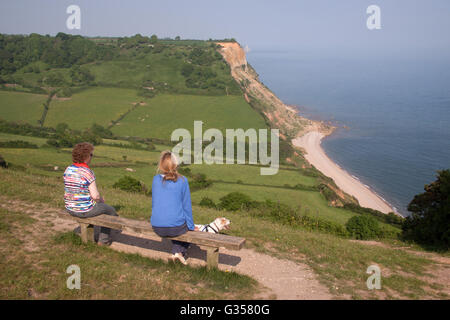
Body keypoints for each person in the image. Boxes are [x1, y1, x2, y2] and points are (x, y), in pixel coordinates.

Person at [63, 142, 118, 246]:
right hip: (84, 210)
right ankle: (103, 241)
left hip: (70, 208)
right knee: (110, 211)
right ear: (86, 156)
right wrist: (101, 201)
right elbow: (95, 196)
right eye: (91, 154)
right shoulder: (87, 172)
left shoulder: (68, 169)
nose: (92, 157)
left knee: (101, 208)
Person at [151, 151, 195, 265]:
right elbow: (187, 207)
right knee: (185, 230)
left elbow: (155, 202)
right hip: (175, 227)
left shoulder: (156, 179)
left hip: (156, 226)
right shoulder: (183, 180)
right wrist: (191, 227)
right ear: (176, 165)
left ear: (161, 165)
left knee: (176, 225)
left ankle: (177, 252)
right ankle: (178, 252)